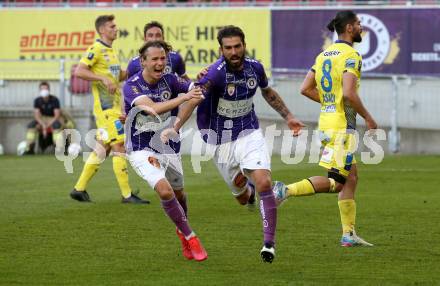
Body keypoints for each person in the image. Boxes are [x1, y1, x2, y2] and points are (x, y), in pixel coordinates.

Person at [161, 25, 304, 263]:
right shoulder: (215, 74)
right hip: (220, 141)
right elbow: (194, 99)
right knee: (241, 196)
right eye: (228, 48)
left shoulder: (255, 68)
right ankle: (247, 193)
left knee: (264, 181)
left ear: (244, 45)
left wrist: (288, 116)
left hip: (249, 132)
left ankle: (269, 244)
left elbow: (268, 92)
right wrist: (175, 127)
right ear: (221, 50)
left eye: (238, 46)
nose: (234, 51)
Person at [273, 10, 378, 247]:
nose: (362, 28)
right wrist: (368, 118)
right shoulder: (351, 55)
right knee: (337, 182)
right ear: (349, 28)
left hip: (327, 123)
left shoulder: (322, 56)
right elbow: (350, 92)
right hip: (342, 126)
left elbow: (305, 88)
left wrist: (331, 101)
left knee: (351, 177)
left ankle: (348, 234)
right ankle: (284, 190)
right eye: (359, 24)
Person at [123, 40, 207, 261]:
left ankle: (181, 231)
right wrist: (184, 97)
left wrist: (176, 124)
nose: (160, 63)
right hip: (141, 148)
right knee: (165, 191)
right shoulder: (132, 85)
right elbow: (151, 109)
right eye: (155, 59)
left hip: (168, 147)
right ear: (143, 61)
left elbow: (196, 92)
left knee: (179, 193)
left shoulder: (171, 80)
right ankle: (191, 237)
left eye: (163, 59)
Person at [70, 14, 149, 204]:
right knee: (119, 145)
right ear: (103, 29)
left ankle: (79, 189)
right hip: (106, 109)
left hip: (113, 105)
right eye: (112, 26)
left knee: (101, 149)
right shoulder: (96, 48)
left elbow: (117, 76)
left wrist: (136, 69)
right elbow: (80, 71)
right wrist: (102, 79)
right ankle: (127, 194)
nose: (116, 29)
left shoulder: (111, 51)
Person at [24, 81, 66, 154]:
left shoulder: (54, 100)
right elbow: (37, 116)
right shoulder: (37, 100)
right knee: (31, 125)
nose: (44, 91)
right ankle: (29, 148)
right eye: (42, 89)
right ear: (39, 90)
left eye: (46, 89)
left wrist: (47, 126)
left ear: (49, 90)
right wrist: (43, 125)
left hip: (52, 119)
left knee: (56, 125)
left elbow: (57, 115)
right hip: (42, 119)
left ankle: (59, 149)